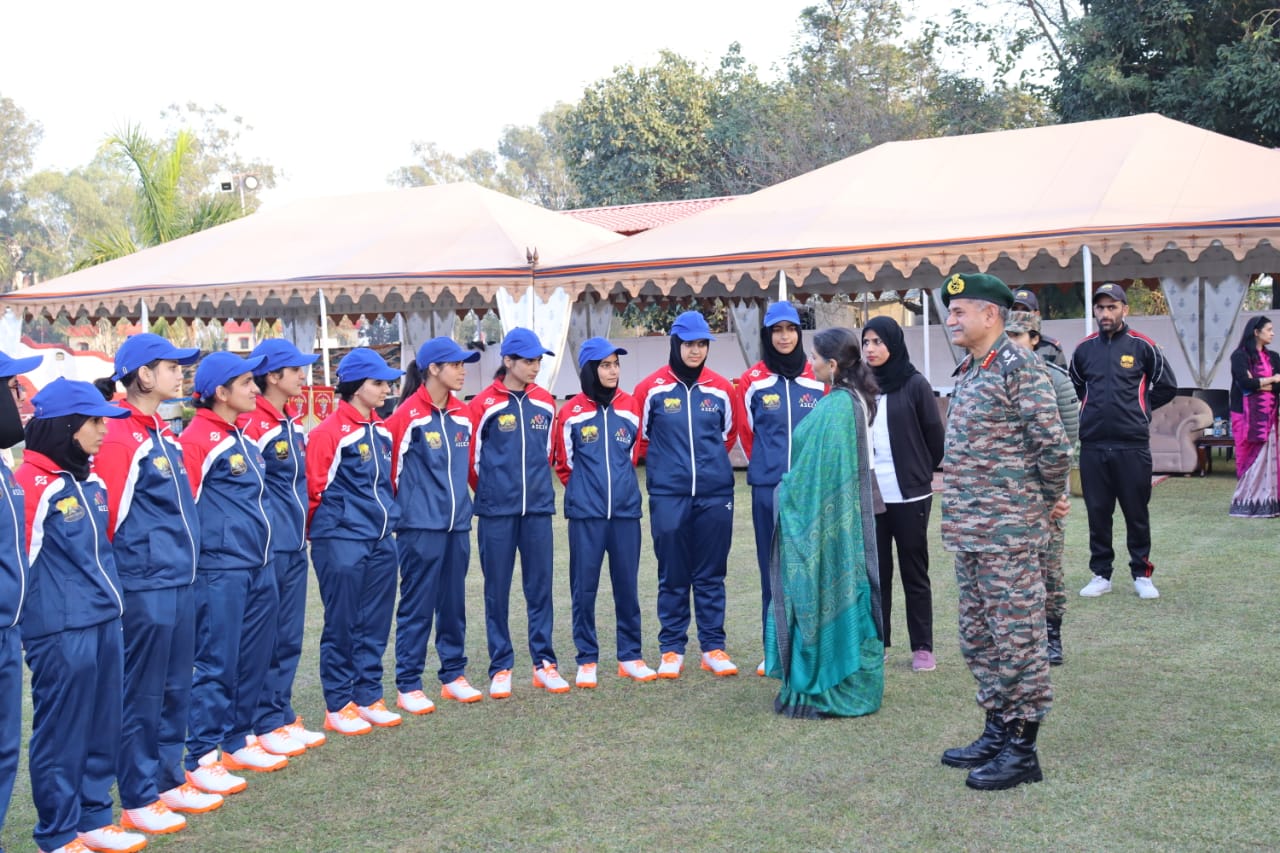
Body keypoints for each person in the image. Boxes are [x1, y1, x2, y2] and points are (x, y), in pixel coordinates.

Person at [91, 336, 227, 836]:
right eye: (172, 367)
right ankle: (138, 792)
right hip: (145, 584)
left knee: (175, 686)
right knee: (143, 693)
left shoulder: (163, 433)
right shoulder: (119, 434)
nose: (181, 375)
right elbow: (107, 519)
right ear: (143, 375)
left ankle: (169, 777)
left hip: (178, 579)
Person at [939, 272, 1069, 791]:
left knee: (1019, 640)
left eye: (958, 312)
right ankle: (996, 729)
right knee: (980, 638)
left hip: (1010, 534)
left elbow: (1054, 448)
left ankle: (1023, 750)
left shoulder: (1021, 368)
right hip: (971, 532)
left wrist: (1039, 502)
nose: (950, 320)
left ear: (990, 315)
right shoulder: (971, 369)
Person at [17, 379, 143, 853]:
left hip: (105, 622)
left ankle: (94, 817)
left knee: (102, 724)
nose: (103, 432)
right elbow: (19, 559)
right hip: (60, 630)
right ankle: (57, 832)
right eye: (94, 422)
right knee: (62, 732)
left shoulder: (90, 481)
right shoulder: (32, 483)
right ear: (66, 426)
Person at [763, 327, 884, 718]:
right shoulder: (846, 401)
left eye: (814, 358)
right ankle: (827, 675)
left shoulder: (838, 408)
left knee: (830, 592)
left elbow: (824, 475)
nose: (809, 363)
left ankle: (830, 685)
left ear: (832, 365)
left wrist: (790, 490)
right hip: (837, 520)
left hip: (828, 521)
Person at [179, 352, 288, 786]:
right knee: (216, 661)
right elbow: (185, 508)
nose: (255, 389)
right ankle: (202, 754)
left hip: (258, 564)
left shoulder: (243, 435)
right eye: (246, 383)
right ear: (221, 393)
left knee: (253, 656)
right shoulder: (197, 440)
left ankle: (237, 739)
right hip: (220, 570)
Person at [634, 310, 745, 679]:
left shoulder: (721, 389)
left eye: (702, 344)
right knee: (673, 572)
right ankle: (671, 648)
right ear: (675, 344)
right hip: (669, 493)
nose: (696, 350)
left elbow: (728, 436)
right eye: (689, 344)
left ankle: (713, 647)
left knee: (712, 572)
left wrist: (708, 471)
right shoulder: (650, 389)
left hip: (715, 493)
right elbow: (643, 439)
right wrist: (671, 470)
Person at [305, 348, 404, 733]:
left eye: (386, 382)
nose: (385, 389)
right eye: (377, 383)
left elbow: (386, 483)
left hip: (380, 539)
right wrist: (334, 532)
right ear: (354, 387)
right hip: (341, 541)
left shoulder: (380, 430)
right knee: (342, 623)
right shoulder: (328, 433)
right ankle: (338, 703)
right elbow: (315, 489)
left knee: (375, 622)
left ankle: (368, 695)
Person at [468, 328, 567, 699]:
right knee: (497, 590)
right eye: (528, 361)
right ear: (507, 361)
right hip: (496, 512)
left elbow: (550, 452)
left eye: (539, 361)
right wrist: (493, 492)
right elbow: (471, 462)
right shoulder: (482, 404)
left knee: (540, 587)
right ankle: (501, 666)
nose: (535, 367)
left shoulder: (545, 402)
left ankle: (545, 663)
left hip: (538, 509)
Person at [552, 337, 657, 688]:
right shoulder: (571, 412)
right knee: (584, 588)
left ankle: (631, 655)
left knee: (627, 585)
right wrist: (585, 492)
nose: (612, 371)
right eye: (605, 365)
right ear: (589, 370)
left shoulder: (631, 407)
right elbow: (563, 462)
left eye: (615, 364)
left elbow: (633, 453)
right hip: (586, 514)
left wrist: (619, 491)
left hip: (625, 512)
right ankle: (587, 658)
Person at [240, 339, 327, 754]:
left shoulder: (290, 420)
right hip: (268, 547)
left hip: (294, 544)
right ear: (272, 376)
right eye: (295, 370)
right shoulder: (253, 424)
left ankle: (278, 713)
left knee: (289, 636)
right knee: (265, 638)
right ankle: (262, 721)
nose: (303, 376)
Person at [387, 337, 483, 711]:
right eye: (456, 364)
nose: (462, 371)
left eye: (464, 364)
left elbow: (470, 466)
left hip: (457, 526)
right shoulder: (406, 416)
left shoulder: (463, 414)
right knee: (416, 605)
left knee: (453, 603)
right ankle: (408, 683)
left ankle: (453, 674)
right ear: (433, 370)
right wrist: (407, 515)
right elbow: (391, 472)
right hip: (419, 528)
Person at [1070, 283, 1177, 600]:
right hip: (1093, 446)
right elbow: (1075, 385)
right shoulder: (1084, 349)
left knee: (1136, 513)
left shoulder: (1143, 346)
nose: (1105, 313)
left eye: (1112, 307)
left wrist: (1138, 408)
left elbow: (1167, 386)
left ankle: (1142, 574)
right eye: (1100, 308)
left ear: (1124, 309)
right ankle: (1100, 574)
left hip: (1132, 446)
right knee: (1098, 513)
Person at [737, 302, 824, 677]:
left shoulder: (817, 377)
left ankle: (809, 648)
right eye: (777, 330)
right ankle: (773, 649)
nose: (785, 337)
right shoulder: (752, 380)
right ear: (767, 336)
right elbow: (745, 432)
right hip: (768, 488)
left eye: (790, 329)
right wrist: (770, 470)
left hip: (809, 490)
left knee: (809, 567)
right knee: (771, 569)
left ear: (799, 333)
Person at [861, 316, 944, 672]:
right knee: (876, 574)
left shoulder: (914, 385)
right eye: (866, 342)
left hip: (910, 495)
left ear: (893, 343)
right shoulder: (858, 386)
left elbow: (935, 439)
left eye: (878, 342)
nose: (871, 349)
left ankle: (922, 646)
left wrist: (920, 472)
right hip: (872, 496)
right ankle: (879, 642)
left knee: (914, 570)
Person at [1006, 312, 1078, 666]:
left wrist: (1057, 494)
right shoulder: (993, 377)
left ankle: (1053, 636)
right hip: (1007, 493)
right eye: (1005, 335)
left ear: (1034, 338)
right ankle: (1020, 639)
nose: (1010, 342)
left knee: (1049, 568)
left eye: (1017, 335)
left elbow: (1066, 442)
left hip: (1047, 493)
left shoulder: (1056, 381)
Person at [0, 351, 40, 847]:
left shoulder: (4, 464)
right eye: (13, 388)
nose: (23, 398)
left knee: (6, 749)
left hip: (9, 630)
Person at [1228, 316, 1280, 517]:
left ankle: (1270, 503)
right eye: (1269, 329)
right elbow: (1244, 384)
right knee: (1246, 455)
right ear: (1256, 332)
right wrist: (1271, 379)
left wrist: (1260, 382)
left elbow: (1277, 385)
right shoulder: (1239, 357)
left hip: (1269, 415)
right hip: (1245, 415)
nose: (1272, 333)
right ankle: (1246, 502)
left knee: (1271, 459)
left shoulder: (1274, 357)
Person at [1011, 288, 1068, 369]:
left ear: (1036, 314)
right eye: (1014, 309)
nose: (1019, 314)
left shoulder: (1050, 348)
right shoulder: (1001, 343)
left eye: (1025, 310)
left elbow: (1060, 379)